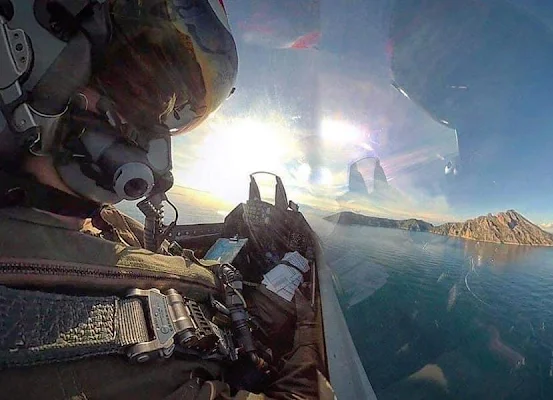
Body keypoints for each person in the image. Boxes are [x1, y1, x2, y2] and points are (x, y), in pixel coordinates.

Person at [0, 1, 326, 398]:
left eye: (168, 111)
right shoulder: (37, 343)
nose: (152, 137)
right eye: (140, 87)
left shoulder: (102, 221)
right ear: (23, 54)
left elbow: (165, 264)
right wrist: (307, 329)